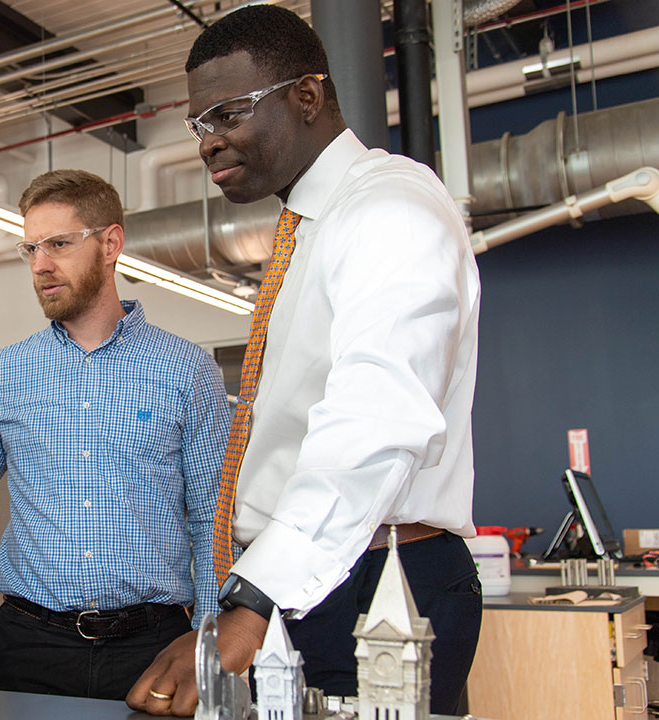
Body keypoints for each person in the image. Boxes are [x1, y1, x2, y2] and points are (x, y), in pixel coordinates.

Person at [127, 5, 482, 716]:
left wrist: (256, 601)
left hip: (374, 583)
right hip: (309, 578)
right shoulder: (315, 228)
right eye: (200, 124)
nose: (208, 142)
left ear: (309, 96)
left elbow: (374, 420)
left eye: (228, 113)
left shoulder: (389, 208)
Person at [0, 169, 231, 700]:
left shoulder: (186, 369)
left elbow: (212, 519)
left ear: (110, 243)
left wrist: (209, 644)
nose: (41, 265)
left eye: (59, 244)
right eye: (32, 249)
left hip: (152, 648)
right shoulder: (7, 371)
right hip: (28, 647)